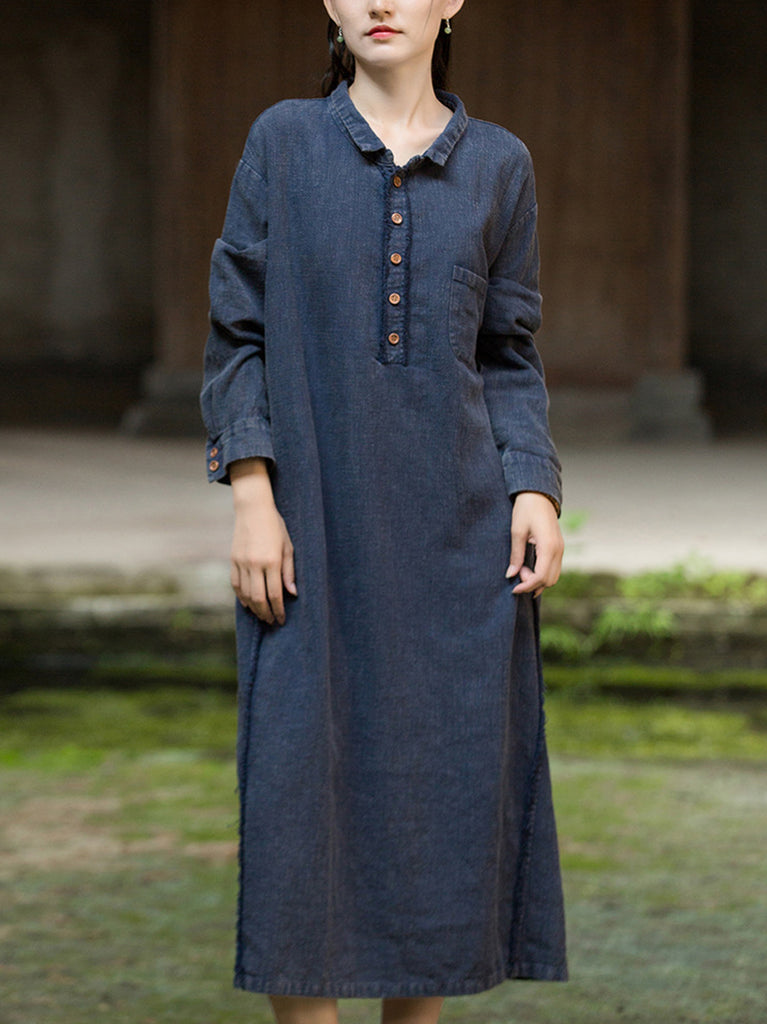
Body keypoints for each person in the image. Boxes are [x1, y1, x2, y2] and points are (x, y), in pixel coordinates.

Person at [200, 1, 567, 1021]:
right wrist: (252, 494)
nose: (379, 2)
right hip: (310, 538)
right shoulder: (282, 143)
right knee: (295, 817)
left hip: (457, 548)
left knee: (439, 824)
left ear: (451, 1)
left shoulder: (499, 164)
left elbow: (508, 351)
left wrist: (532, 485)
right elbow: (236, 334)